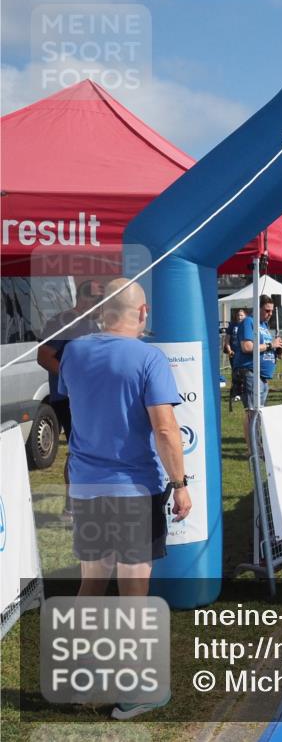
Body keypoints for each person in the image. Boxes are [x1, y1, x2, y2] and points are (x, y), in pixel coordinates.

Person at [58, 278, 191, 718]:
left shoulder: (75, 352)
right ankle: (137, 690)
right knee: (134, 589)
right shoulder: (149, 357)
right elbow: (166, 429)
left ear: (102, 311)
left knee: (91, 583)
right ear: (143, 313)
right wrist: (181, 482)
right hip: (133, 489)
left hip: (86, 487)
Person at [37, 279, 105, 520]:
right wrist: (73, 378)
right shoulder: (61, 322)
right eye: (98, 299)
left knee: (90, 447)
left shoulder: (93, 325)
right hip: (67, 397)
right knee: (79, 449)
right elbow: (44, 356)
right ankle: (72, 506)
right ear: (83, 299)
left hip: (90, 398)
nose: (101, 304)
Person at [234, 295, 282, 446]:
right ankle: (253, 449)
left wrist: (279, 349)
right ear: (258, 308)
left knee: (259, 412)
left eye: (271, 311)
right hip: (250, 372)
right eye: (266, 310)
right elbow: (247, 347)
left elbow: (271, 350)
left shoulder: (264, 326)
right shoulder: (249, 322)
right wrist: (270, 345)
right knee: (252, 412)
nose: (269, 314)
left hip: (262, 376)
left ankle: (257, 445)